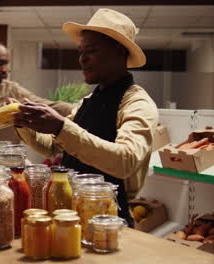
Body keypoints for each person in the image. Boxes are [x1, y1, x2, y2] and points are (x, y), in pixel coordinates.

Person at [12, 8, 158, 225]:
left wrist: (60, 127)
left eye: (91, 50)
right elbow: (53, 147)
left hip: (110, 220)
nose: (82, 59)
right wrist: (24, 123)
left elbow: (125, 161)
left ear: (119, 51)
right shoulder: (87, 102)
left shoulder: (137, 104)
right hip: (73, 214)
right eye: (80, 51)